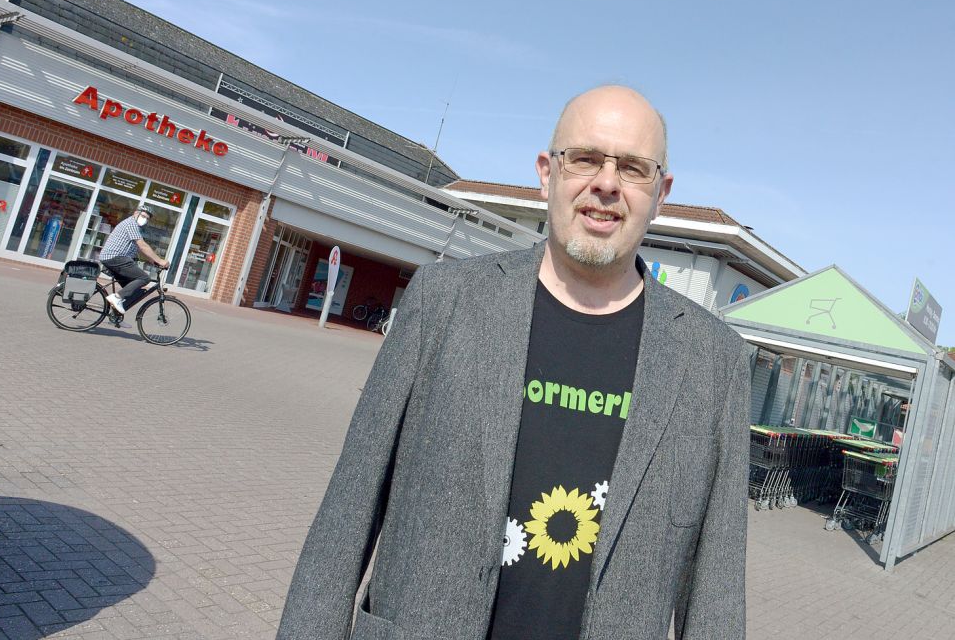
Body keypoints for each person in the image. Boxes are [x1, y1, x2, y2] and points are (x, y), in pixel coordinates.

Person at [277, 85, 751, 640]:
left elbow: (716, 593)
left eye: (633, 168)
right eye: (585, 159)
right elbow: (347, 512)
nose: (606, 183)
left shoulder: (713, 365)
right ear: (547, 173)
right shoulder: (442, 302)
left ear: (661, 191)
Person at [100, 205, 170, 317]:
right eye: (143, 216)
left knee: (134, 291)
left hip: (115, 258)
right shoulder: (131, 224)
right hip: (115, 257)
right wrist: (160, 261)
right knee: (144, 278)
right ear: (135, 213)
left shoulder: (134, 226)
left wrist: (153, 261)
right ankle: (116, 297)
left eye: (147, 218)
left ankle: (115, 316)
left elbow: (139, 249)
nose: (145, 219)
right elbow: (142, 246)